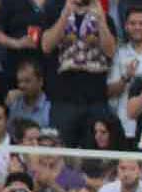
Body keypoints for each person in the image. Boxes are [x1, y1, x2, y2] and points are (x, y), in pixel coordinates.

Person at [41, 0, 118, 147]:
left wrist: (101, 20)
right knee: (62, 151)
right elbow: (46, 46)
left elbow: (111, 51)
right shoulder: (54, 11)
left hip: (96, 99)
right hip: (63, 99)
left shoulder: (104, 16)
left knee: (93, 155)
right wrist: (64, 16)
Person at [107, 6, 142, 143]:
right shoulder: (118, 54)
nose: (137, 27)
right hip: (125, 125)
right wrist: (126, 77)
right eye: (132, 23)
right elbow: (109, 91)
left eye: (141, 23)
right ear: (125, 26)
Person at [5, 60, 52, 129]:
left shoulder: (50, 107)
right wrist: (5, 107)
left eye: (27, 81)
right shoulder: (13, 104)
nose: (22, 85)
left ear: (40, 82)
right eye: (19, 81)